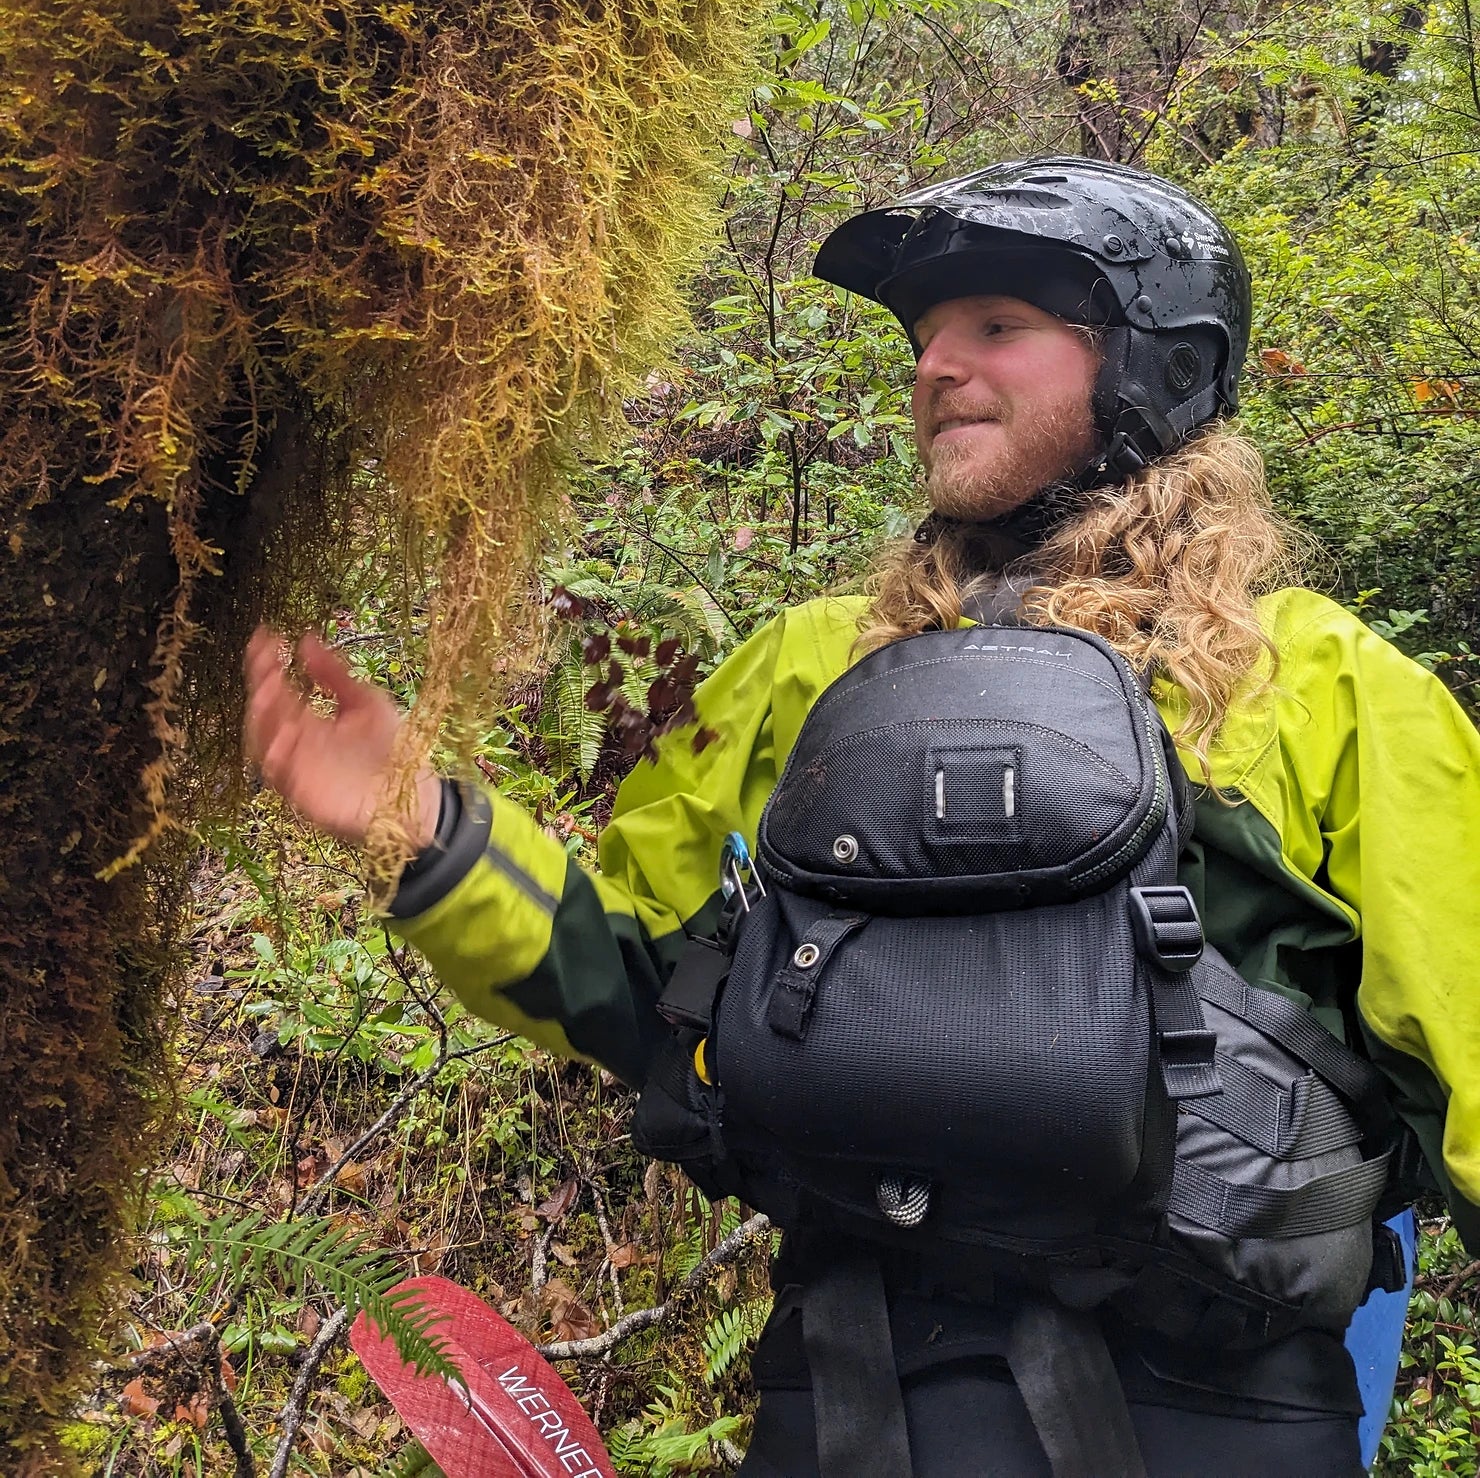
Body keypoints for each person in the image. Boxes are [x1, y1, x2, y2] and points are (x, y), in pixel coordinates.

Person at [244, 157, 1480, 1478]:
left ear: (1152, 366)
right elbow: (636, 978)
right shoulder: (807, 665)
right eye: (926, 337)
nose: (939, 363)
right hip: (847, 1399)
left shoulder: (1336, 686)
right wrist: (421, 826)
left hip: (1211, 1416)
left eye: (998, 324)